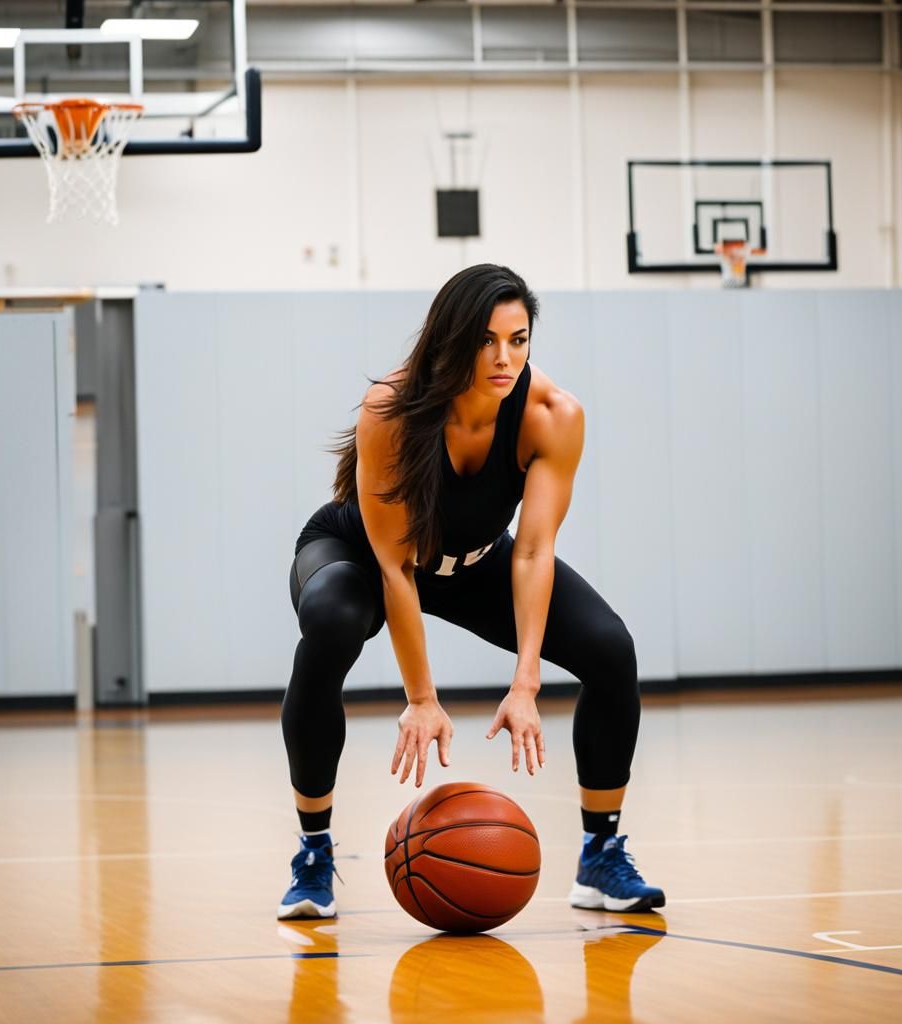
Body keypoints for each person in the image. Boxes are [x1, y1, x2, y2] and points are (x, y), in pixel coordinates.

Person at [278, 264, 665, 919]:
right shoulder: (391, 409)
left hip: (476, 562)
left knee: (610, 649)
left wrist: (527, 682)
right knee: (331, 622)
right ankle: (313, 853)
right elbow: (396, 566)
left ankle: (600, 854)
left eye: (518, 340)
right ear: (451, 339)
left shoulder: (552, 415)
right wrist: (421, 698)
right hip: (365, 554)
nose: (504, 357)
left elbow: (535, 551)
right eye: (487, 340)